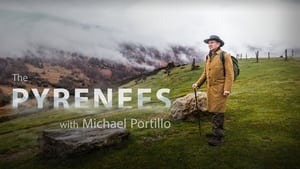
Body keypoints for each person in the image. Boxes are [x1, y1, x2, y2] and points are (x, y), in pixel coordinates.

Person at [192, 35, 234, 146]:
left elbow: (230, 74)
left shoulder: (225, 55)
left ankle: (218, 137)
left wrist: (227, 89)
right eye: (208, 43)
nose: (210, 44)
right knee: (213, 111)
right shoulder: (208, 56)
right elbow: (205, 73)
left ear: (218, 44)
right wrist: (198, 83)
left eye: (212, 42)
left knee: (219, 112)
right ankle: (214, 132)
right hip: (210, 89)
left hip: (220, 89)